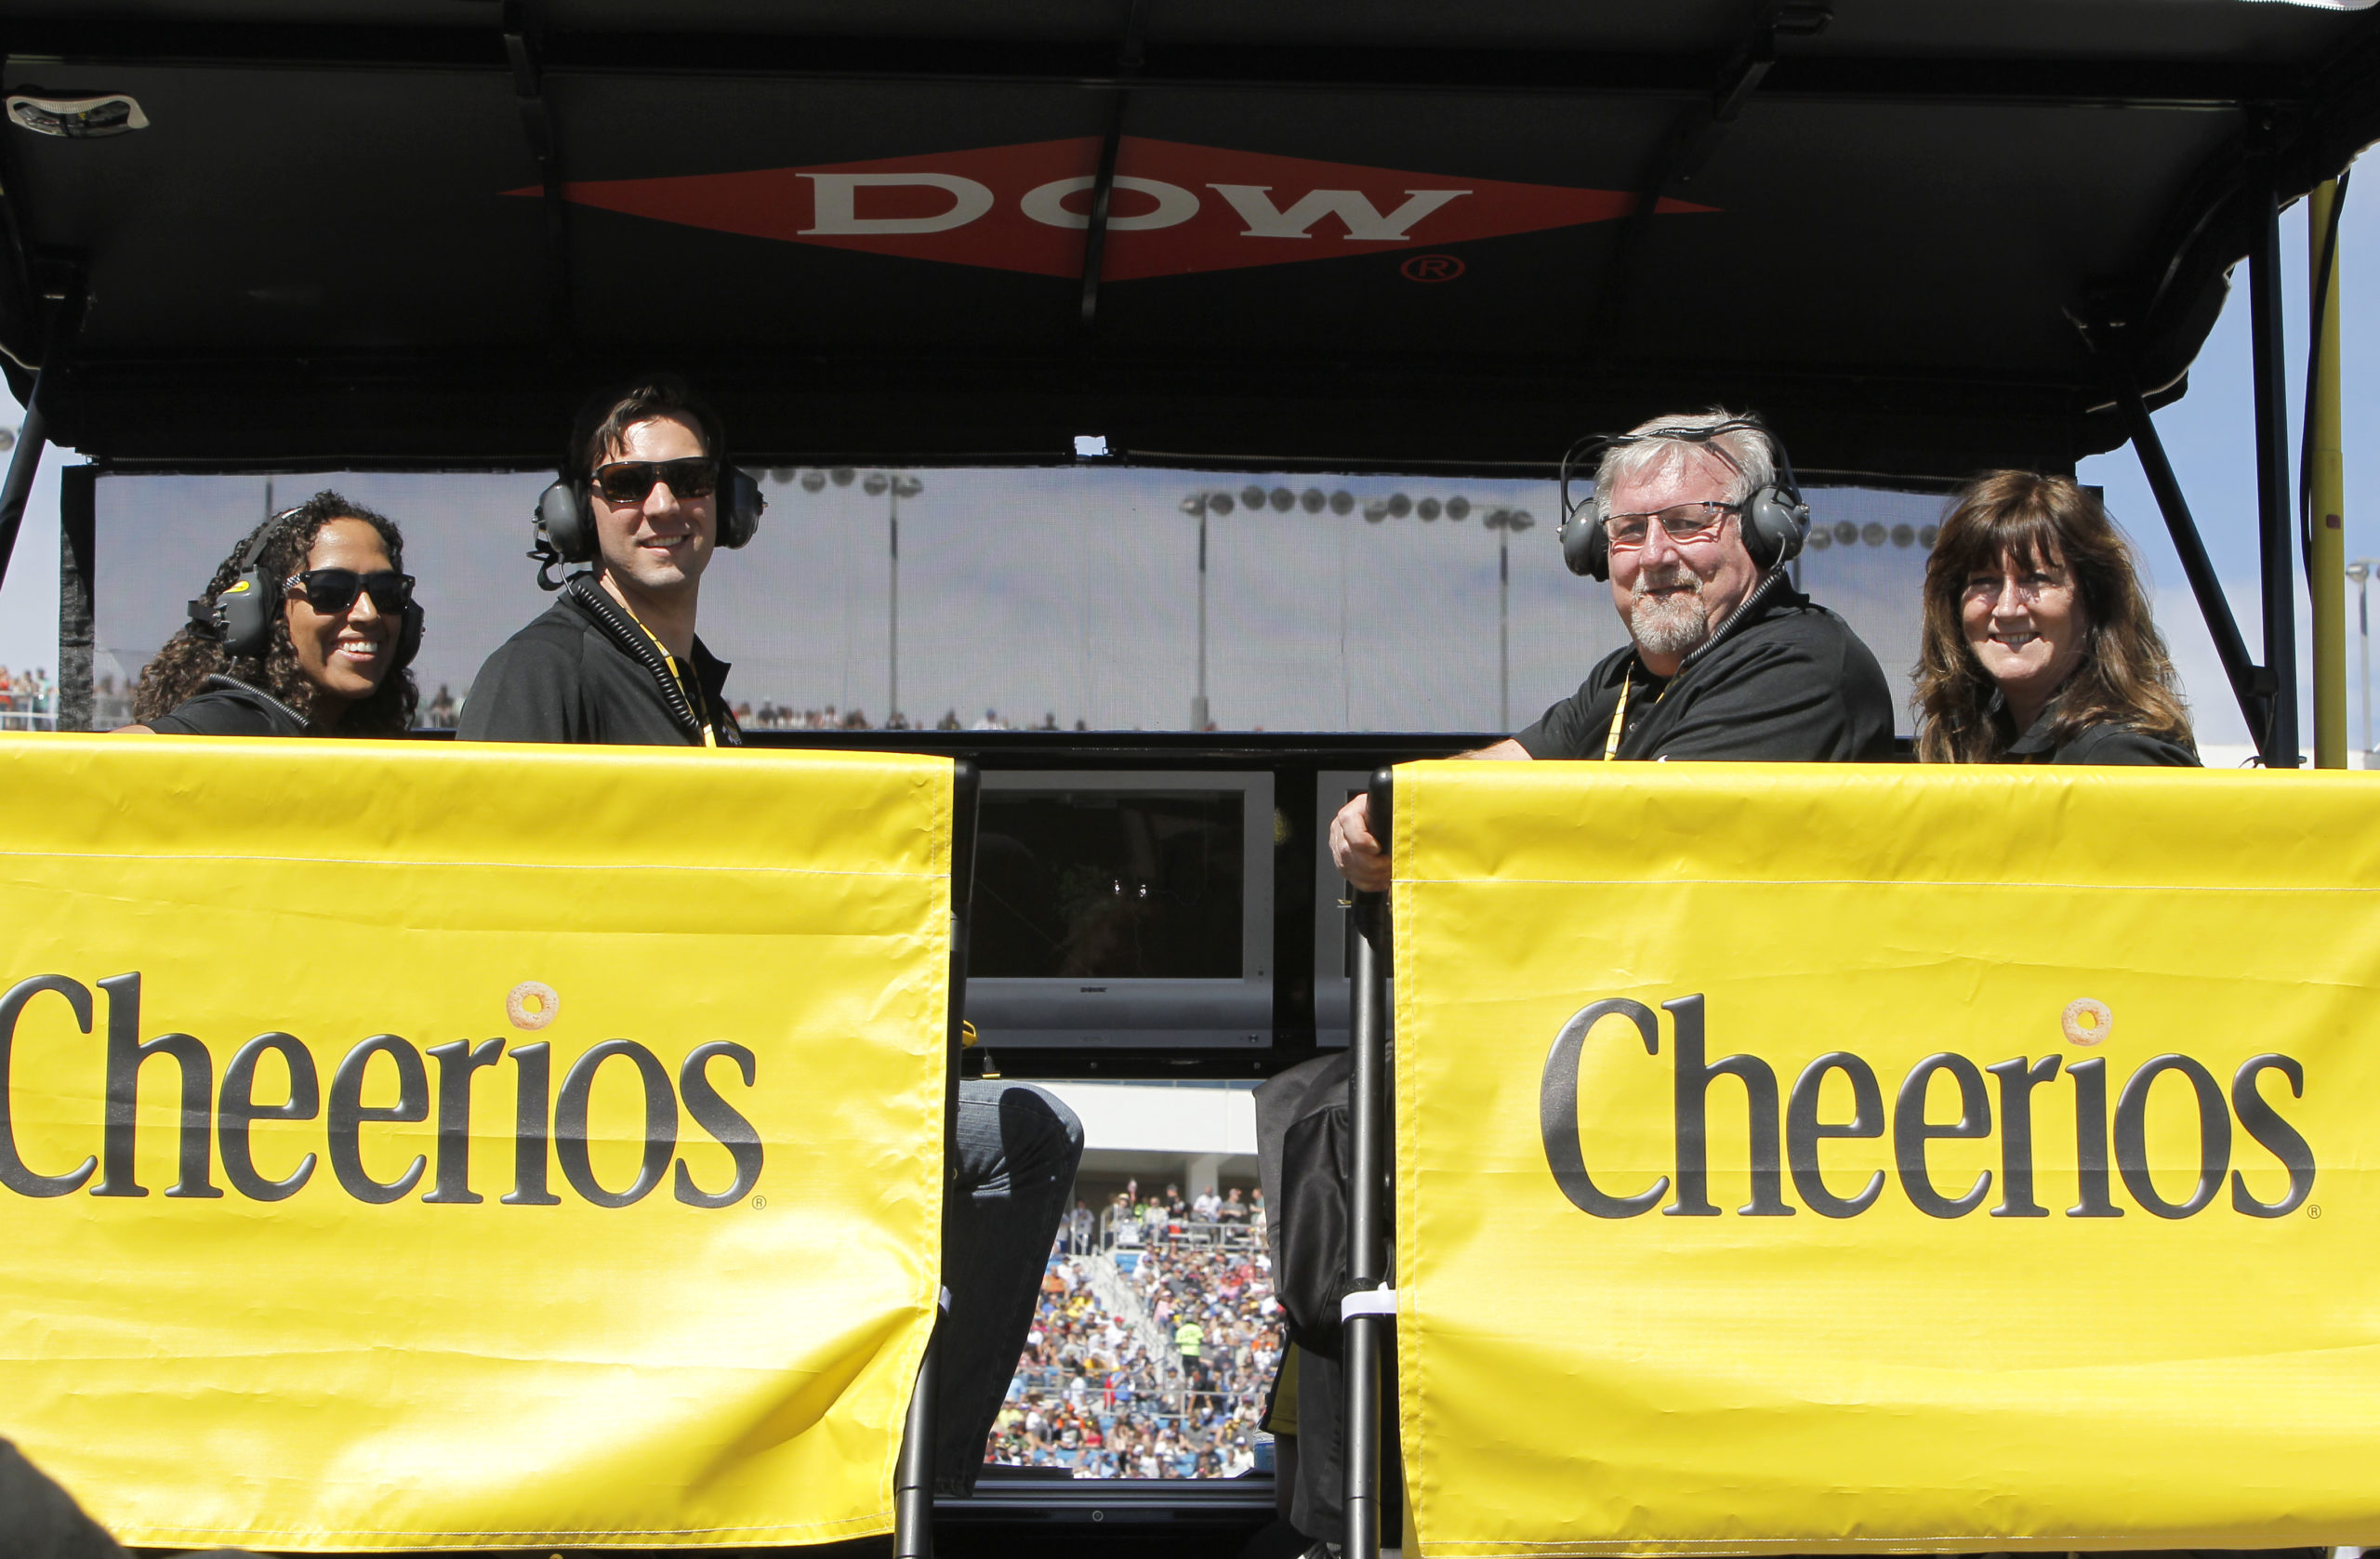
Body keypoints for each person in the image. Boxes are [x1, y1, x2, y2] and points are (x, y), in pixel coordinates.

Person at [458, 374, 1081, 1497]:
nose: (660, 504)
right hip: (613, 1110)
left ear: (726, 506)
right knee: (1021, 1138)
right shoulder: (541, 673)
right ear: (578, 512)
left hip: (742, 1082)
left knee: (1015, 1123)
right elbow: (493, 923)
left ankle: (884, 1478)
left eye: (686, 480)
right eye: (626, 482)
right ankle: (903, 1485)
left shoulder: (698, 698)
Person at [1329, 409, 1893, 891]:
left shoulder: (1803, 663)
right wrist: (1386, 813)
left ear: (1764, 530)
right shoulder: (1626, 677)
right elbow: (1505, 768)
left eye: (1685, 523)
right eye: (1627, 531)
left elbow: (1644, 839)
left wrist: (1435, 828)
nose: (1653, 555)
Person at [1913, 471, 2198, 766]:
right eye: (1985, 581)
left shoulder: (2120, 755)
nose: (2007, 608)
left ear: (2093, 598)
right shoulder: (1986, 746)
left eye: (2036, 579)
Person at [121, 492, 420, 737]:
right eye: (330, 590)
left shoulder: (353, 730)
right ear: (269, 611)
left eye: (386, 591)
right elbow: (103, 761)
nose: (368, 613)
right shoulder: (239, 720)